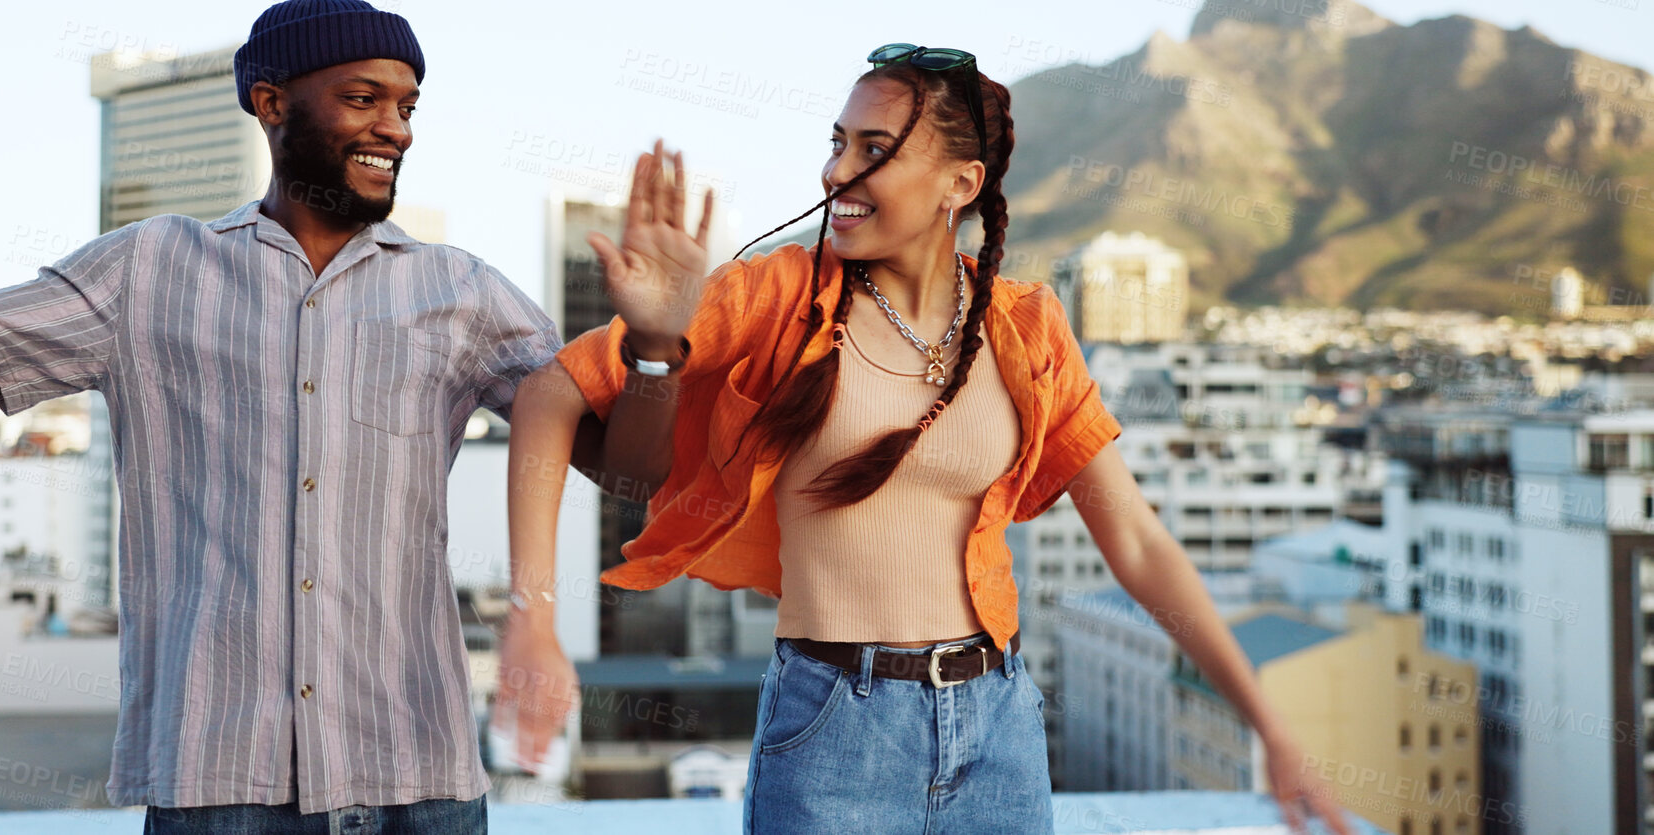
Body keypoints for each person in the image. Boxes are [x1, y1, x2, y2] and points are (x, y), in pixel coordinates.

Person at [0, 0, 565, 835]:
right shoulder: (145, 271)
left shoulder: (463, 292)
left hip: (416, 781)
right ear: (271, 102)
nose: (396, 127)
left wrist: (656, 349)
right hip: (216, 788)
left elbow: (623, 463)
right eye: (364, 98)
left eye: (407, 106)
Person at [498, 45, 1353, 834]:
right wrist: (532, 619)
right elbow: (548, 396)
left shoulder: (1027, 328)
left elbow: (1134, 538)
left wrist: (1269, 726)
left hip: (1001, 726)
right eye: (836, 143)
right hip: (835, 723)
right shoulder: (777, 296)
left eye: (873, 147)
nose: (837, 170)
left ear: (959, 182)